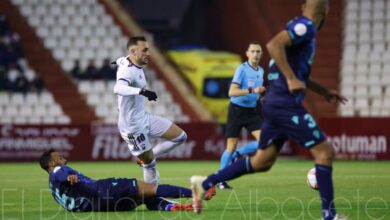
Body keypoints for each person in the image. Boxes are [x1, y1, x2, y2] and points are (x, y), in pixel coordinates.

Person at [190, 0, 348, 219]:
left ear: (304, 7)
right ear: (325, 12)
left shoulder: (302, 33)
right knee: (324, 152)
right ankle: (329, 215)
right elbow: (274, 45)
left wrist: (324, 92)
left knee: (262, 162)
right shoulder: (305, 27)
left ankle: (205, 183)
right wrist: (292, 79)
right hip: (285, 104)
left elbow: (296, 72)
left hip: (274, 103)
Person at [39, 149, 215, 212]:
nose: (63, 157)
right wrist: (69, 176)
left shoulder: (53, 188)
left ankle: (169, 206)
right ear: (52, 162)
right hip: (103, 190)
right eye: (59, 156)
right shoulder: (57, 170)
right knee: (152, 189)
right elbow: (60, 173)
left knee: (144, 197)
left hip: (101, 207)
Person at [113, 36, 188, 185]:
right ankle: (151, 196)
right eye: (145, 50)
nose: (149, 53)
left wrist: (116, 61)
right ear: (134, 51)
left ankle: (148, 156)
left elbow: (121, 59)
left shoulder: (127, 60)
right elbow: (118, 88)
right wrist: (142, 92)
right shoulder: (128, 71)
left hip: (144, 117)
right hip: (131, 126)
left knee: (181, 137)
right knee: (150, 165)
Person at [218, 41, 266, 190]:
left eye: (258, 51)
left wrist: (262, 98)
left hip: (251, 111)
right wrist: (252, 90)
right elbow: (231, 92)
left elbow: (258, 92)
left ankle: (238, 153)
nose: (255, 54)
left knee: (265, 141)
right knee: (230, 145)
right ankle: (221, 180)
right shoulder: (242, 69)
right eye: (253, 51)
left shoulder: (261, 70)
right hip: (237, 110)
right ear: (247, 53)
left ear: (261, 54)